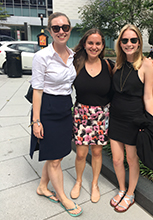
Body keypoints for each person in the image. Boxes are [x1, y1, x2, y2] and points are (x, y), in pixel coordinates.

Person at [29, 12, 82, 217]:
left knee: (56, 154)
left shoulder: (74, 56)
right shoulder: (42, 57)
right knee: (55, 160)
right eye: (56, 28)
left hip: (64, 107)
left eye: (65, 27)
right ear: (50, 31)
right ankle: (62, 197)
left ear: (70, 29)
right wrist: (36, 120)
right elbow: (38, 90)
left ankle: (43, 186)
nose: (61, 31)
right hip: (47, 108)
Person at [108, 24, 153, 212]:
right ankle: (121, 189)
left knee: (132, 159)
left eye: (133, 40)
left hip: (134, 119)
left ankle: (130, 193)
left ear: (139, 43)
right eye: (125, 40)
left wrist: (150, 123)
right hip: (116, 118)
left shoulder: (146, 65)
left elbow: (149, 96)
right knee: (117, 160)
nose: (129, 43)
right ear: (120, 43)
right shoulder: (116, 64)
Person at [70, 28, 114, 203]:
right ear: (84, 44)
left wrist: (149, 64)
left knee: (96, 152)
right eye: (90, 43)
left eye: (98, 43)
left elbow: (131, 68)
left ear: (102, 45)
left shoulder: (109, 66)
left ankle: (94, 183)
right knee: (81, 154)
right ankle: (79, 181)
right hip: (81, 114)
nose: (94, 47)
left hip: (101, 115)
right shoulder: (75, 63)